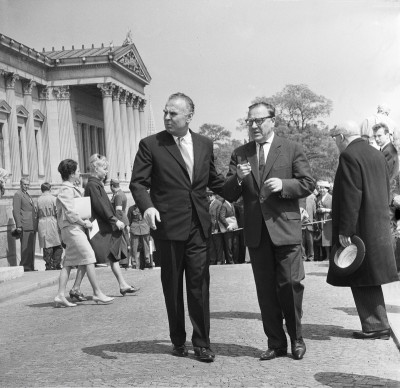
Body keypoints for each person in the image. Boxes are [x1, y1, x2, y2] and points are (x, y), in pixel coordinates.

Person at [130, 92, 225, 362]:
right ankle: (177, 339)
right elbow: (138, 183)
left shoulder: (205, 144)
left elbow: (215, 182)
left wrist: (242, 183)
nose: (167, 117)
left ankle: (202, 343)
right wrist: (147, 206)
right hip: (168, 226)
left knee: (199, 286)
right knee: (172, 287)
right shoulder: (151, 144)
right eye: (165, 112)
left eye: (173, 113)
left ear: (189, 117)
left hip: (198, 226)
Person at [223, 101, 314, 361]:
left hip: (285, 229)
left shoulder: (292, 148)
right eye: (249, 121)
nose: (253, 126)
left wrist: (284, 184)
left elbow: (307, 183)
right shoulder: (240, 153)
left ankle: (297, 338)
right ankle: (275, 343)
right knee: (265, 290)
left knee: (290, 285)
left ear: (272, 120)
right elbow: (228, 192)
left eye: (259, 120)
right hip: (257, 233)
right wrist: (238, 178)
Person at [327, 121, 399, 339]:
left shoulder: (349, 156)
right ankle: (377, 324)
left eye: (333, 139)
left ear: (341, 136)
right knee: (369, 277)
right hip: (377, 225)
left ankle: (376, 326)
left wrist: (345, 230)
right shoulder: (376, 154)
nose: (335, 144)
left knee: (359, 276)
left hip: (359, 227)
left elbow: (351, 195)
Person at [71, 154, 138, 297]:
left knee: (102, 256)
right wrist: (115, 220)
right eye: (104, 168)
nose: (107, 171)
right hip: (99, 229)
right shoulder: (93, 185)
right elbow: (101, 206)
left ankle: (122, 284)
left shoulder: (95, 184)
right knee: (90, 257)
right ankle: (77, 288)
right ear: (96, 168)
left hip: (100, 227)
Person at [54, 159, 114, 307]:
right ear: (72, 173)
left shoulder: (70, 188)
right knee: (89, 257)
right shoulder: (66, 190)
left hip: (73, 228)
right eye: (77, 170)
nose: (80, 173)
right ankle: (97, 292)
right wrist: (84, 222)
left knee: (68, 263)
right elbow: (71, 213)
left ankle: (61, 295)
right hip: (73, 228)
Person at [12, 178, 38, 271]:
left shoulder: (27, 194)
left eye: (28, 184)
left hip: (32, 224)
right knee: (25, 248)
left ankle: (30, 266)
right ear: (20, 184)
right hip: (25, 224)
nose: (26, 186)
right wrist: (18, 225)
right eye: (25, 184)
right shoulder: (18, 194)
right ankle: (25, 267)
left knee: (31, 247)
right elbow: (16, 211)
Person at [37, 183, 62, 270]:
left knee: (46, 244)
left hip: (42, 222)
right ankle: (56, 263)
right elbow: (58, 212)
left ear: (42, 189)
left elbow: (36, 213)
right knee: (57, 243)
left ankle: (48, 264)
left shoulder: (39, 200)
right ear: (50, 189)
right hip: (52, 221)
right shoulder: (53, 199)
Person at [110, 178, 130, 269]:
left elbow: (118, 210)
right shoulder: (121, 193)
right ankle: (124, 261)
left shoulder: (117, 195)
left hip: (120, 220)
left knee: (122, 241)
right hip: (123, 219)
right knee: (124, 240)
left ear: (112, 186)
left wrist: (116, 222)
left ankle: (124, 261)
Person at [127, 204, 151, 269]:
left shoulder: (146, 207)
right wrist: (128, 226)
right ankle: (134, 263)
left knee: (146, 246)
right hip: (134, 228)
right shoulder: (131, 208)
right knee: (134, 246)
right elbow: (129, 219)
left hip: (144, 226)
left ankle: (148, 261)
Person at [315, 181, 332, 261]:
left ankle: (329, 256)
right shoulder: (318, 198)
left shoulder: (331, 198)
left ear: (327, 189)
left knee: (328, 238)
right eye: (320, 188)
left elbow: (334, 210)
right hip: (320, 220)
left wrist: (325, 210)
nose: (321, 190)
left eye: (323, 188)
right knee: (323, 240)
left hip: (328, 220)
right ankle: (326, 256)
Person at [218, 199, 237, 264]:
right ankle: (230, 261)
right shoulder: (224, 205)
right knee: (229, 245)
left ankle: (234, 260)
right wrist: (227, 226)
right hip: (228, 228)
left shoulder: (231, 204)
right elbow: (221, 217)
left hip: (233, 227)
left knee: (234, 244)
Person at [207, 191, 223, 265]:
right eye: (208, 195)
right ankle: (213, 260)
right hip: (209, 228)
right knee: (212, 246)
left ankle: (219, 260)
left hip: (216, 227)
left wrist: (216, 228)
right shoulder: (208, 204)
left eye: (211, 195)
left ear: (214, 195)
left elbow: (218, 216)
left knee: (218, 245)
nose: (209, 197)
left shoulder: (218, 203)